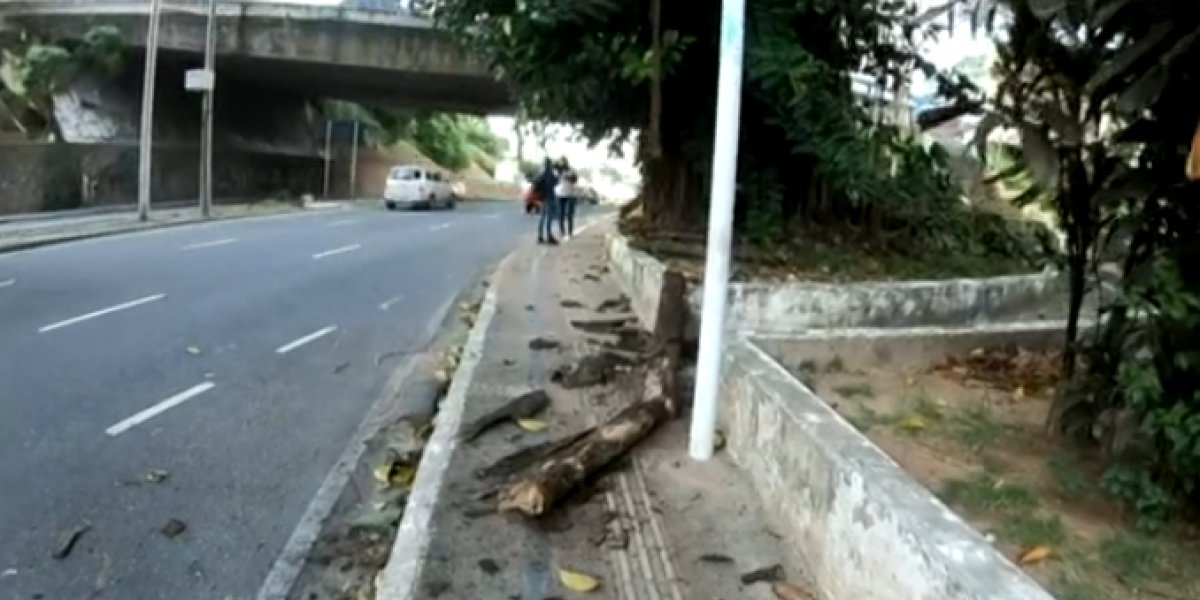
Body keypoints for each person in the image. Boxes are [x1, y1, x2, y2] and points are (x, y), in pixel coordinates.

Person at [533, 158, 560, 245]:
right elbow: (556, 182)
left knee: (542, 217)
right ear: (550, 165)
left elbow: (535, 185)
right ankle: (549, 236)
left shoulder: (542, 175)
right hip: (550, 197)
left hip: (543, 198)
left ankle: (540, 236)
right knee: (549, 218)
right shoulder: (551, 175)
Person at [555, 159, 579, 240]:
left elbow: (575, 179)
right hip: (560, 195)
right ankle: (562, 232)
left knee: (569, 214)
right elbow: (555, 181)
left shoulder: (572, 171)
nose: (562, 166)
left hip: (570, 195)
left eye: (564, 164)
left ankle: (570, 232)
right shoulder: (557, 172)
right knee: (560, 215)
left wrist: (567, 176)